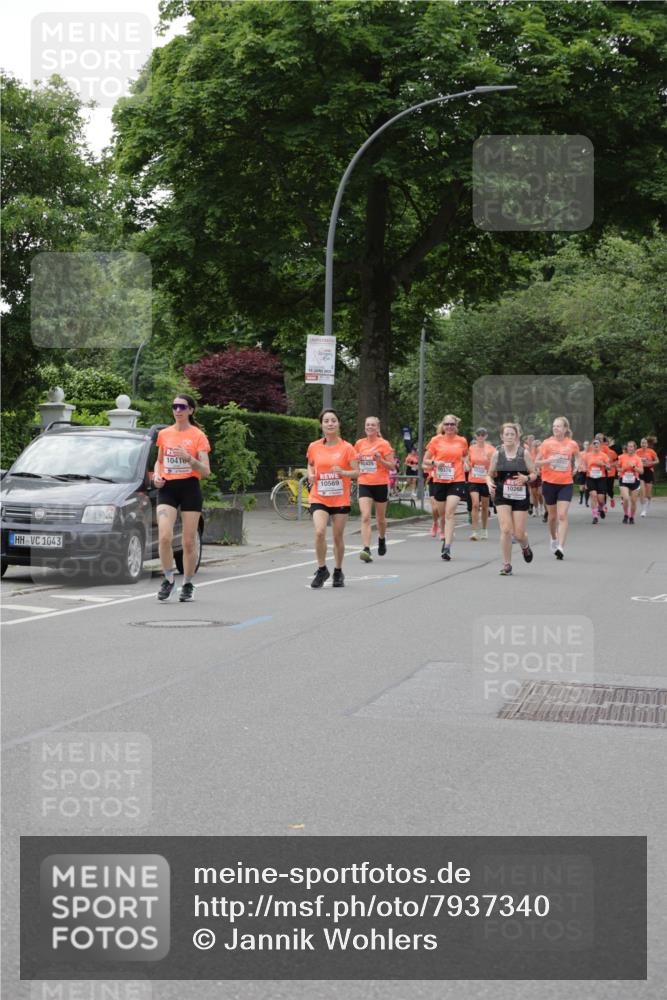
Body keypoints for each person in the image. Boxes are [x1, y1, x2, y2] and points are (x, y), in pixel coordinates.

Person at [154, 393, 211, 602]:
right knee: (164, 536)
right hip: (167, 488)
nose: (177, 410)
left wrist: (189, 459)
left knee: (188, 542)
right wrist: (157, 476)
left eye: (182, 407)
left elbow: (206, 471)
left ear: (190, 410)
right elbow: (159, 461)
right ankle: (168, 579)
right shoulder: (164, 434)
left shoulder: (198, 436)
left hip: (189, 488)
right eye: (174, 406)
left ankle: (187, 583)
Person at [306, 409, 358, 588]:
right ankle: (322, 569)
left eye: (333, 421)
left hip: (340, 499)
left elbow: (358, 472)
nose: (330, 424)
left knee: (337, 537)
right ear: (321, 425)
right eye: (326, 421)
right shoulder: (314, 446)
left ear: (338, 424)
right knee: (320, 532)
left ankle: (337, 571)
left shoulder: (347, 448)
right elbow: (310, 464)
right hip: (319, 496)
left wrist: (343, 472)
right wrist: (311, 474)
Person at [487, 423, 536, 576]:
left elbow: (534, 473)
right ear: (502, 436)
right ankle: (507, 564)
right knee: (506, 529)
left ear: (516, 437)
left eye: (512, 434)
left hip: (520, 496)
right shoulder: (497, 454)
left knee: (519, 534)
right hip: (503, 494)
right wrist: (489, 483)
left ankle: (525, 546)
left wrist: (526, 478)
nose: (509, 437)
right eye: (506, 434)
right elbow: (489, 474)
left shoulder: (524, 453)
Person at [422, 415, 468, 561]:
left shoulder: (462, 441)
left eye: (452, 424)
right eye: (447, 424)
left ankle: (447, 547)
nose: (449, 427)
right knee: (442, 514)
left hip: (457, 479)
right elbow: (425, 460)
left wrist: (466, 463)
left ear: (456, 426)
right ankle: (443, 532)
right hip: (440, 480)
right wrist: (435, 463)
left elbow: (465, 456)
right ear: (443, 425)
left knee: (449, 513)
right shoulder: (436, 440)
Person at [535, 416, 580, 560]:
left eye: (559, 426)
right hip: (549, 483)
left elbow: (578, 457)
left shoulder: (572, 444)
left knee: (562, 515)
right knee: (552, 517)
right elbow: (536, 462)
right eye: (554, 426)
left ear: (565, 429)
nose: (555, 428)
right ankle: (553, 538)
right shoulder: (546, 443)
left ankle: (560, 546)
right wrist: (549, 460)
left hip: (566, 483)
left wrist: (577, 466)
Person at [355, 417, 396, 562]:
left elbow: (392, 466)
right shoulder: (360, 443)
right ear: (365, 427)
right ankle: (366, 548)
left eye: (373, 425)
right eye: (367, 425)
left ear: (378, 428)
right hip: (364, 482)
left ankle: (382, 538)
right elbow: (353, 463)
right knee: (365, 516)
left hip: (380, 483)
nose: (370, 427)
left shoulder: (384, 444)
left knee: (380, 519)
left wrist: (381, 460)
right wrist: (357, 459)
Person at [467, 427, 494, 540]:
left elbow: (494, 465)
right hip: (473, 479)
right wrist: (466, 465)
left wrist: (490, 459)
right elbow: (469, 464)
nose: (480, 436)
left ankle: (484, 530)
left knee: (485, 506)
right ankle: (474, 531)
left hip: (485, 480)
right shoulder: (471, 448)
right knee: (475, 504)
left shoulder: (491, 449)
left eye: (483, 434)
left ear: (486, 436)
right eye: (478, 434)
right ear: (476, 436)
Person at [579, 439, 610, 524]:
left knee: (600, 500)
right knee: (593, 495)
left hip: (601, 478)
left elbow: (609, 467)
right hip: (590, 478)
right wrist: (584, 468)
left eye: (597, 444)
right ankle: (595, 516)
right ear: (592, 445)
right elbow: (582, 465)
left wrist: (603, 464)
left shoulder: (604, 455)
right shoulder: (587, 455)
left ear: (600, 445)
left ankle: (601, 508)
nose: (596, 445)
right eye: (594, 444)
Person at [617, 441, 644, 524]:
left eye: (632, 447)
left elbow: (641, 472)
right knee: (625, 498)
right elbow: (618, 469)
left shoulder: (638, 458)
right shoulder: (621, 457)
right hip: (624, 479)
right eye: (629, 446)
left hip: (634, 480)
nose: (630, 448)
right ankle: (626, 515)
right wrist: (623, 469)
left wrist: (633, 467)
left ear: (635, 448)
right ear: (627, 448)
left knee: (633, 501)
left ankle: (631, 517)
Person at [637, 437, 659, 516]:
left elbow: (657, 461)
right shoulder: (637, 451)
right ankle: (643, 509)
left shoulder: (651, 451)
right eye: (642, 443)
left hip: (649, 471)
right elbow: (633, 459)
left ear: (647, 444)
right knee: (642, 490)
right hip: (641, 471)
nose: (643, 444)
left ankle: (648, 502)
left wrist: (650, 462)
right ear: (640, 444)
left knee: (648, 494)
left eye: (645, 443)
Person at [576, 440, 590, 506]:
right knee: (581, 487)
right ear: (584, 446)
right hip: (581, 471)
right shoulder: (580, 453)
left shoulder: (591, 454)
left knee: (587, 487)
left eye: (588, 445)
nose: (586, 446)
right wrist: (581, 467)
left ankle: (586, 502)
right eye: (585, 445)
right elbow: (578, 462)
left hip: (588, 472)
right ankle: (581, 498)